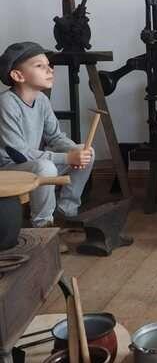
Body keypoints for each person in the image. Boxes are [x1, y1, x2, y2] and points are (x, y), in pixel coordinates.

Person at [0, 42, 94, 233]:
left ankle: (66, 211)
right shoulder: (6, 103)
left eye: (48, 65)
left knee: (87, 152)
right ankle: (43, 226)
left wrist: (76, 152)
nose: (50, 70)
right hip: (9, 168)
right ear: (18, 76)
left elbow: (55, 137)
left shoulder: (41, 100)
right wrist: (67, 158)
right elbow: (18, 153)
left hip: (31, 164)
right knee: (46, 167)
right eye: (39, 66)